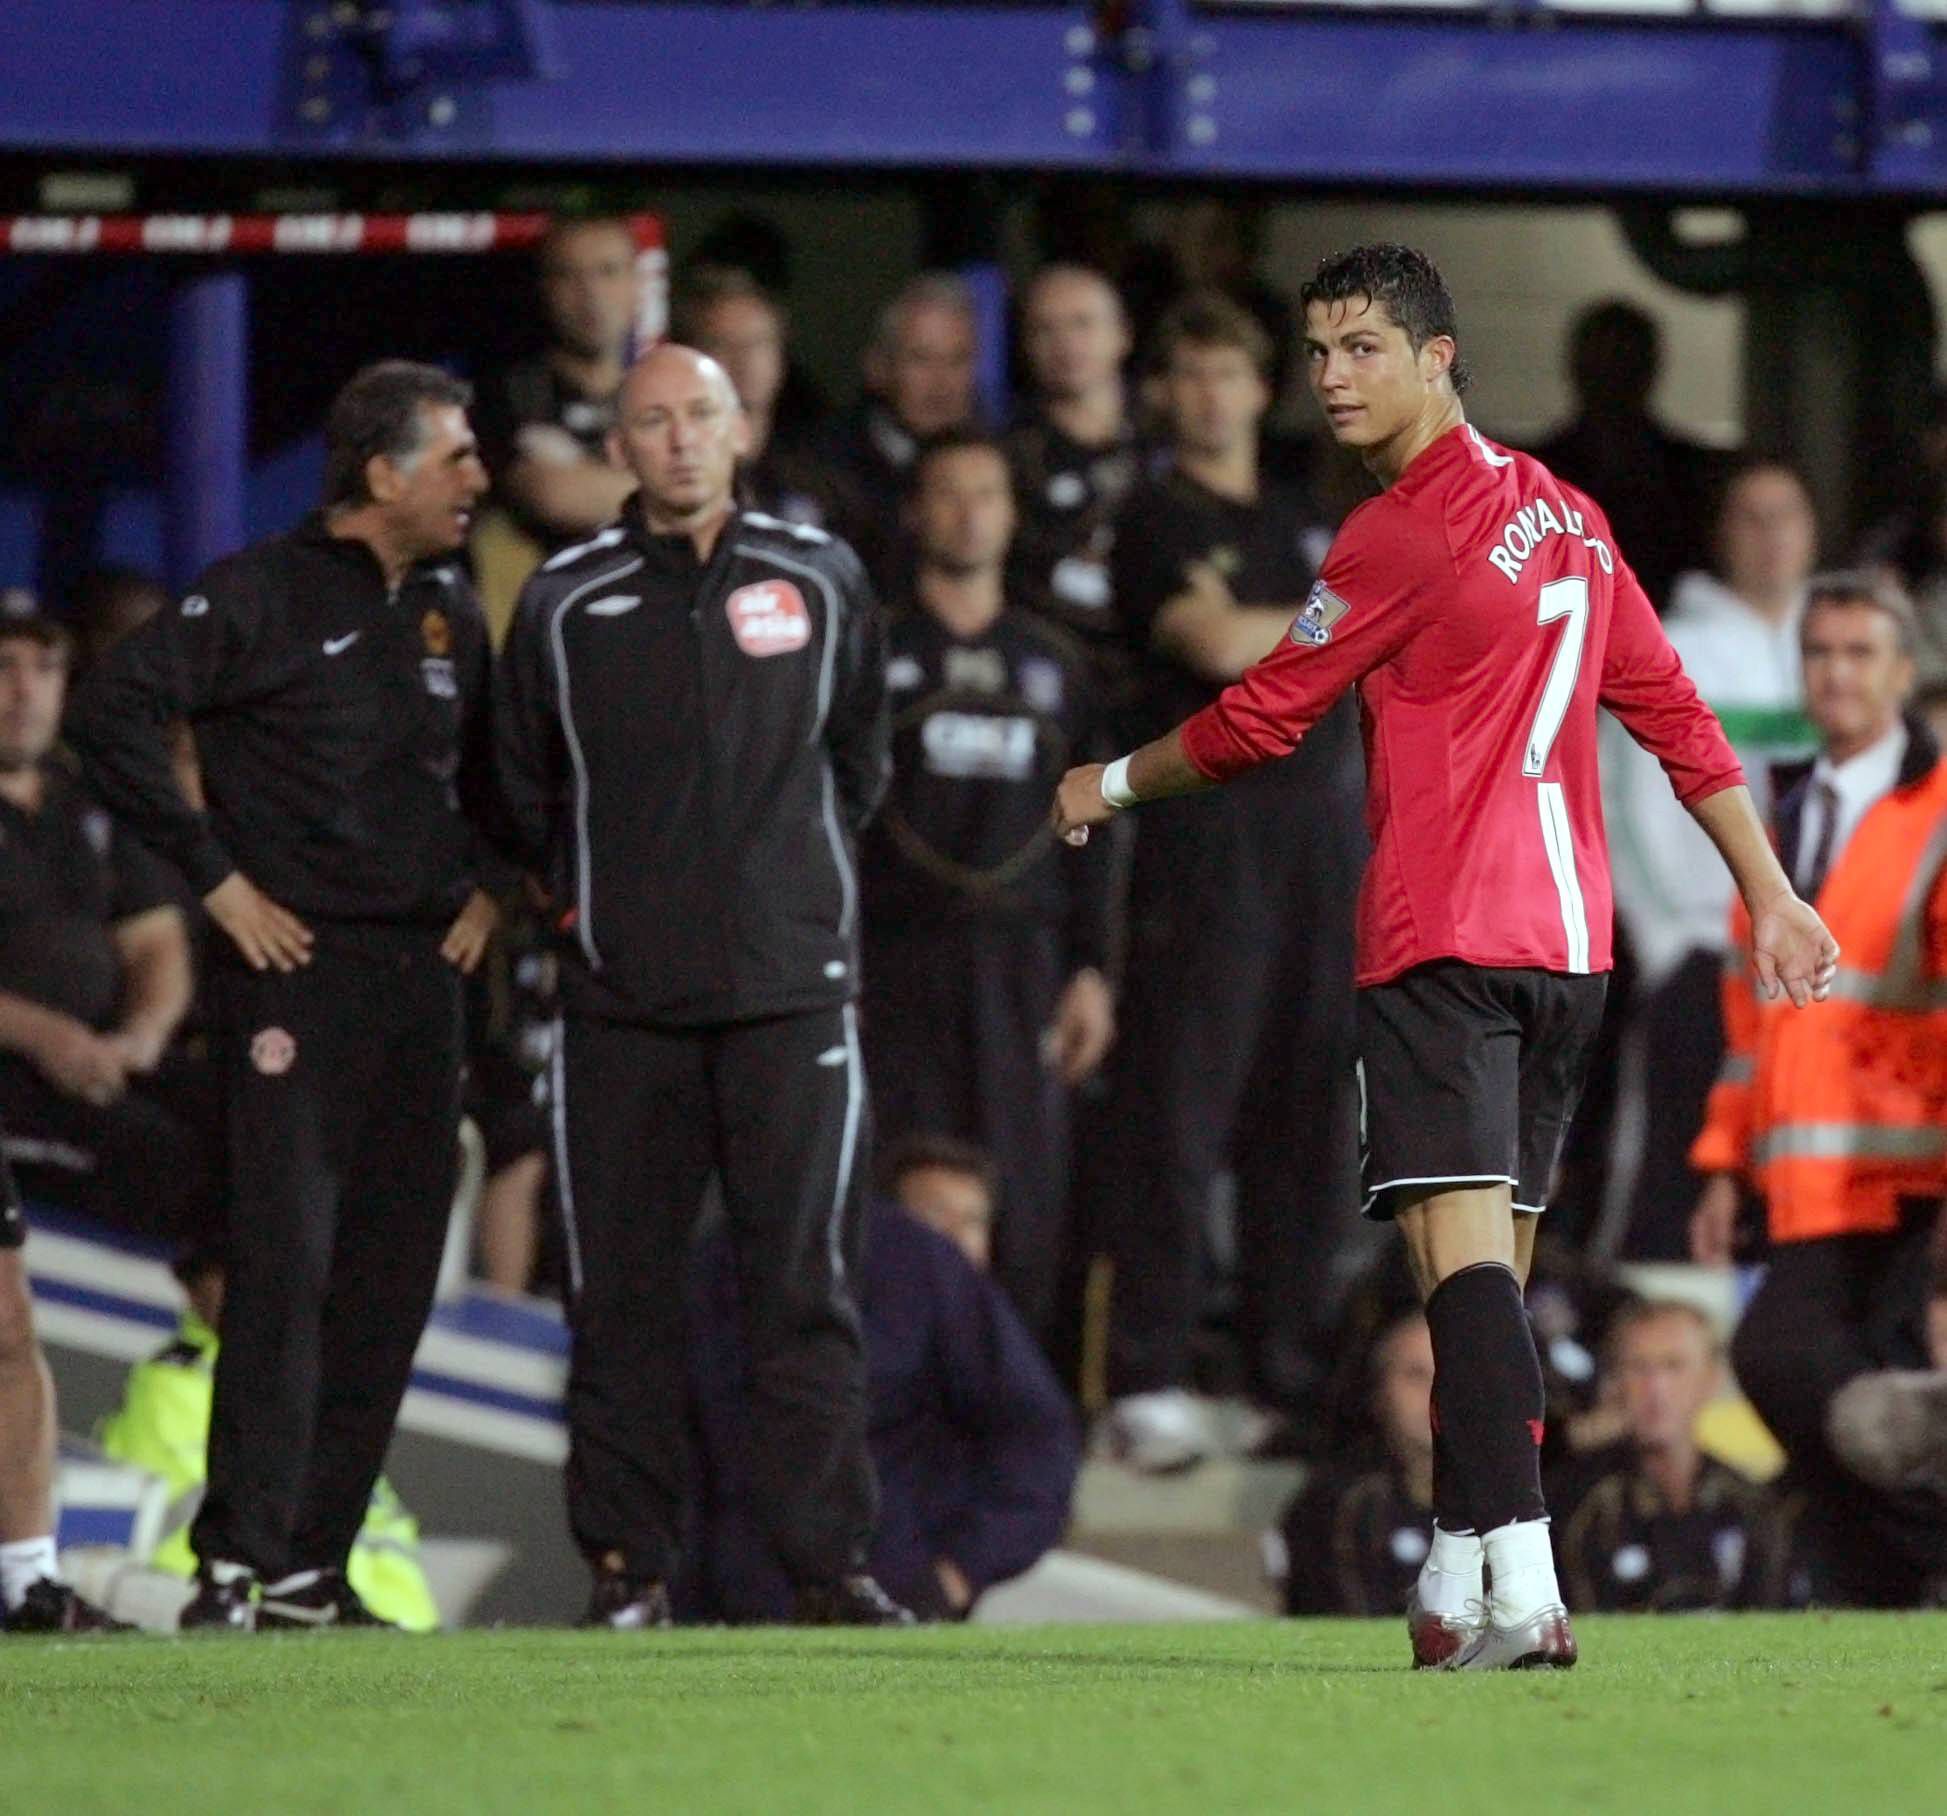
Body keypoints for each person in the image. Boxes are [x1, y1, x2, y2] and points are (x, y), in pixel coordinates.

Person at [1051, 242, 1837, 1671]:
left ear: (1437, 358)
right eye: (1316, 352)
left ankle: (1526, 1592)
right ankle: (1452, 1571)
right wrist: (1768, 890)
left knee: (1462, 1279)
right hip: (1566, 954)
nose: (1330, 379)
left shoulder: (1394, 534)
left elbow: (1256, 721)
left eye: (1360, 349)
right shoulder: (1572, 518)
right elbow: (1665, 708)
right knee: (1480, 1291)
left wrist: (1103, 784)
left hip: (1440, 941)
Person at [68, 360, 509, 1631]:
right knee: (284, 1268)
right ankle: (236, 1565)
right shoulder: (256, 592)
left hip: (423, 982)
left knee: (387, 1282)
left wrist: (491, 886)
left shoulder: (449, 610)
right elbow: (114, 710)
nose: (481, 476)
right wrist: (214, 881)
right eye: (458, 456)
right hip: (293, 976)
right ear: (384, 473)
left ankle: (317, 1565)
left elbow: (490, 779)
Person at [496, 343, 907, 1628]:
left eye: (699, 417)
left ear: (741, 432)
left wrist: (792, 901)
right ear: (618, 446)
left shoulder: (823, 578)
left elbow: (858, 763)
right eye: (651, 421)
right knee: (617, 1297)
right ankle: (629, 1568)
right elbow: (523, 794)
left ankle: (828, 1570)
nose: (677, 440)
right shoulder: (562, 603)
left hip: (794, 998)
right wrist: (590, 917)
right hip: (621, 1006)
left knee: (806, 1291)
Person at [1095, 293, 1363, 1471]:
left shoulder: (1310, 516)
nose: (1210, 395)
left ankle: (1279, 1368)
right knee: (1180, 1106)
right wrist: (1342, 626)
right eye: (1188, 373)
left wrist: (1309, 625)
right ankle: (1148, 1371)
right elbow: (1209, 645)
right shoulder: (1152, 515)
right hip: (1206, 845)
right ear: (1165, 392)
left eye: (1231, 373)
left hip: (1323, 846)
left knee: (1304, 1119)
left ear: (1268, 389)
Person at [1689, 572, 1947, 1605]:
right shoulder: (1782, 815)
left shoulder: (1934, 813)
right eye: (1819, 652)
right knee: (1835, 1405)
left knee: (1784, 1361)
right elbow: (1749, 1026)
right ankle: (1893, 1593)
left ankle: (1912, 1560)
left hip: (1905, 1173)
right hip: (1808, 1177)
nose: (1835, 672)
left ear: (1902, 670)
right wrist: (1721, 1167)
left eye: (1857, 652)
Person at [861, 430, 1116, 1342]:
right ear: (915, 511)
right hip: (894, 960)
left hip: (1021, 964)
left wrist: (1092, 969)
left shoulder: (1058, 663)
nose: (968, 512)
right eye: (948, 491)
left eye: (986, 492)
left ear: (1011, 515)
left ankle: (1008, 1384)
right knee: (894, 1174)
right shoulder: (870, 650)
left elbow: (1099, 828)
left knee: (1023, 1187)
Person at [683, 1139, 1080, 1623]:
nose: (957, 1238)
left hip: (889, 1599)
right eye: (936, 1215)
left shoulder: (929, 1276)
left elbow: (1036, 1436)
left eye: (974, 1221)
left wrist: (954, 1574)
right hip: (727, 1606)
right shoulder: (711, 1267)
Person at [1602, 457, 1820, 1258]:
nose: (1770, 538)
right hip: (1700, 953)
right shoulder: (1670, 645)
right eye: (1750, 517)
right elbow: (1617, 805)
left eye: (1786, 515)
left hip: (1824, 964)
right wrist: (1662, 942)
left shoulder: (1844, 643)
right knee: (1680, 1167)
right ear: (1719, 534)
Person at [0, 599, 223, 1254]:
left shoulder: (87, 798)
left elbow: (155, 938)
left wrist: (142, 1035)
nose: (25, 691)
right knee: (164, 1161)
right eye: (5, 667)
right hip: (16, 1068)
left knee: (261, 1120)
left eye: (45, 669)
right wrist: (48, 1038)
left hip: (104, 1055)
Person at [97, 1248, 440, 1631]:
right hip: (233, 1616)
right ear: (194, 1290)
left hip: (364, 1623)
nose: (259, 1291)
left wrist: (404, 1622)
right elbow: (189, 1544)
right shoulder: (174, 1386)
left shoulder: (310, 1385)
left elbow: (381, 1527)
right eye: (235, 1275)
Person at [1553, 1300, 1786, 1612]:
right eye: (1638, 1367)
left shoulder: (1750, 1506)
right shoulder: (1574, 1507)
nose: (1656, 1388)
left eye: (1673, 1366)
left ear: (1712, 1379)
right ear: (1614, 1382)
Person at [472, 218, 643, 639]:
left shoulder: (658, 393)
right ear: (543, 289)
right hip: (540, 636)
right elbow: (553, 496)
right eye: (569, 275)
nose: (591, 294)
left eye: (608, 272)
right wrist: (678, 496)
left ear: (638, 285)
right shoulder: (509, 394)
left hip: (643, 634)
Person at [1534, 301, 1721, 614]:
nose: (1612, 379)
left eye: (1623, 364)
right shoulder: (1537, 474)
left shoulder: (1695, 475)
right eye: (1601, 364)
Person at [1002, 266, 1141, 677]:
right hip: (1050, 674)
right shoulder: (1004, 460)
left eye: (1083, 323)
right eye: (1045, 329)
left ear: (1123, 334)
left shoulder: (1169, 443)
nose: (1066, 343)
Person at [820, 274, 980, 592]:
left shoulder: (1001, 460)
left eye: (957, 360)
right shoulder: (827, 468)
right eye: (921, 359)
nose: (942, 383)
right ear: (878, 367)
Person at [1272, 1309, 1436, 1617]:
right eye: (1416, 1375)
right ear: (1378, 1393)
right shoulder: (1341, 1504)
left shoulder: (1519, 1500)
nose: (1436, 1392)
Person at [674, 264, 842, 534]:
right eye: (722, 344)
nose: (744, 362)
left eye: (758, 343)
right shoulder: (677, 463)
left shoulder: (822, 468)